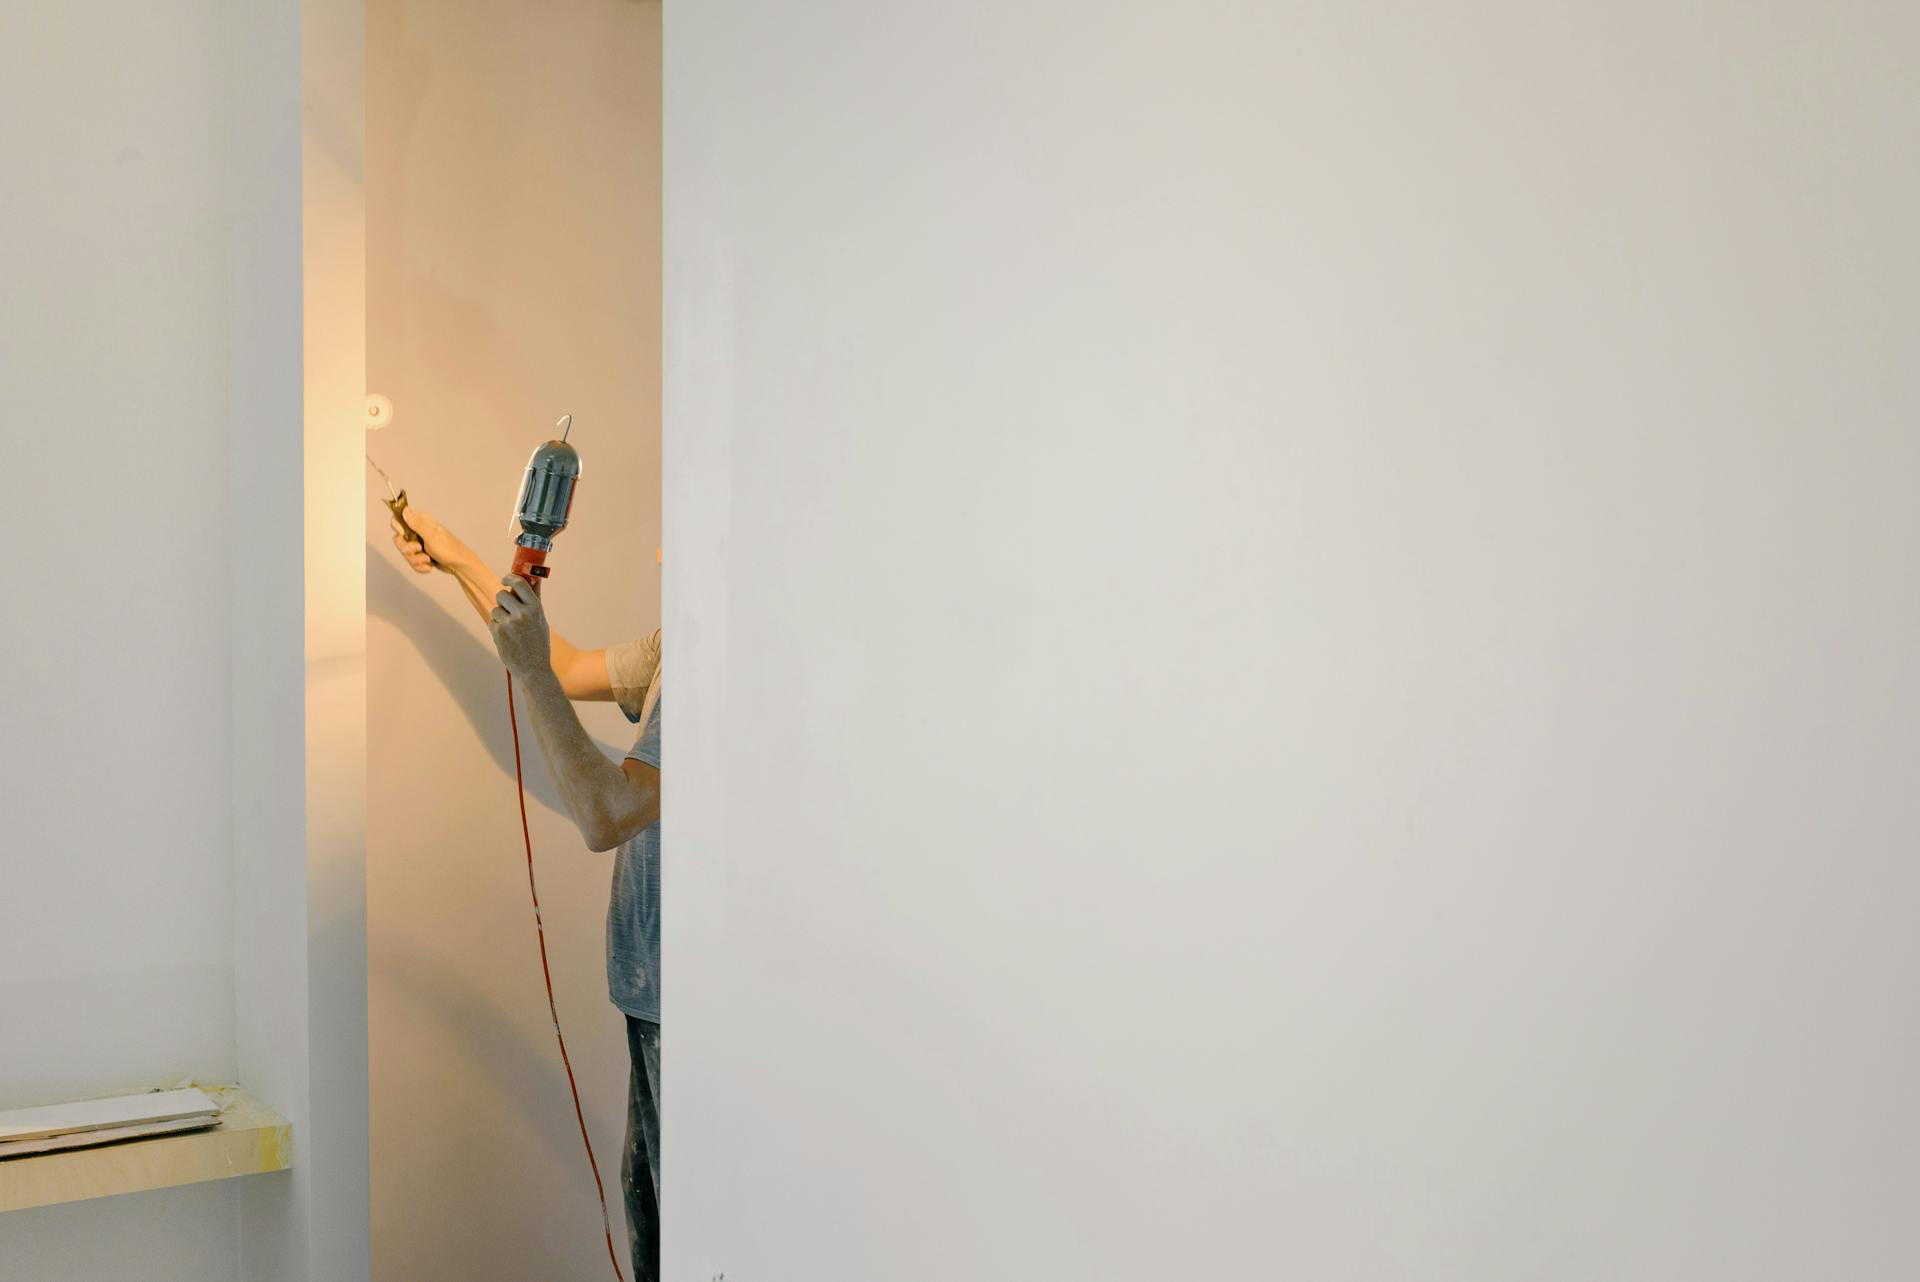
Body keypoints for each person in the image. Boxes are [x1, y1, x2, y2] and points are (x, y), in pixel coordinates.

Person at [392, 505, 663, 1282]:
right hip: (651, 997)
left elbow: (606, 815)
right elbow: (572, 665)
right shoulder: (678, 643)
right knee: (653, 1219)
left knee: (683, 1235)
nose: (654, 546)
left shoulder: (725, 661)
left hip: (694, 1005)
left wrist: (530, 671)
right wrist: (461, 561)